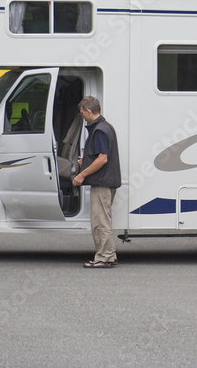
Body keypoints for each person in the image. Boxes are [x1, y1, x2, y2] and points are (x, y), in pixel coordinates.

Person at [72, 96, 121, 268]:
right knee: (102, 220)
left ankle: (104, 258)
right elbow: (99, 156)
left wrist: (82, 174)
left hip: (102, 183)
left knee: (101, 222)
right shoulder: (106, 127)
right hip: (105, 181)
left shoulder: (99, 130)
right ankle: (108, 255)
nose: (82, 116)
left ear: (89, 111)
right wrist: (85, 161)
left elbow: (102, 159)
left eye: (82, 113)